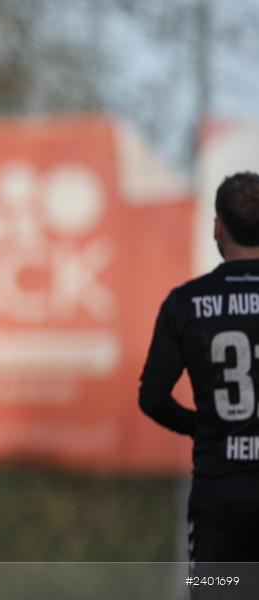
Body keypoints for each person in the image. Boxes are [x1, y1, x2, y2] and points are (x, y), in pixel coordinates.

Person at [140, 172, 259, 594]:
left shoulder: (185, 302)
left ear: (218, 227)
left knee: (217, 592)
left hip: (218, 496)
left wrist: (202, 426)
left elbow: (152, 397)